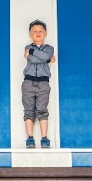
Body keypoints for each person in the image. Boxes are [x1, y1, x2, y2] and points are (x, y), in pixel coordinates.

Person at [21, 20, 55, 149]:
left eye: (41, 30)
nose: (38, 33)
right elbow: (33, 59)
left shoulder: (50, 48)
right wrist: (47, 58)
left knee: (42, 110)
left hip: (44, 82)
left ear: (45, 33)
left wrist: (38, 54)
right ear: (30, 34)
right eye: (34, 31)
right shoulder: (27, 47)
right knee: (29, 110)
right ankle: (30, 138)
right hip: (28, 82)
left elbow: (43, 55)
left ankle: (44, 138)